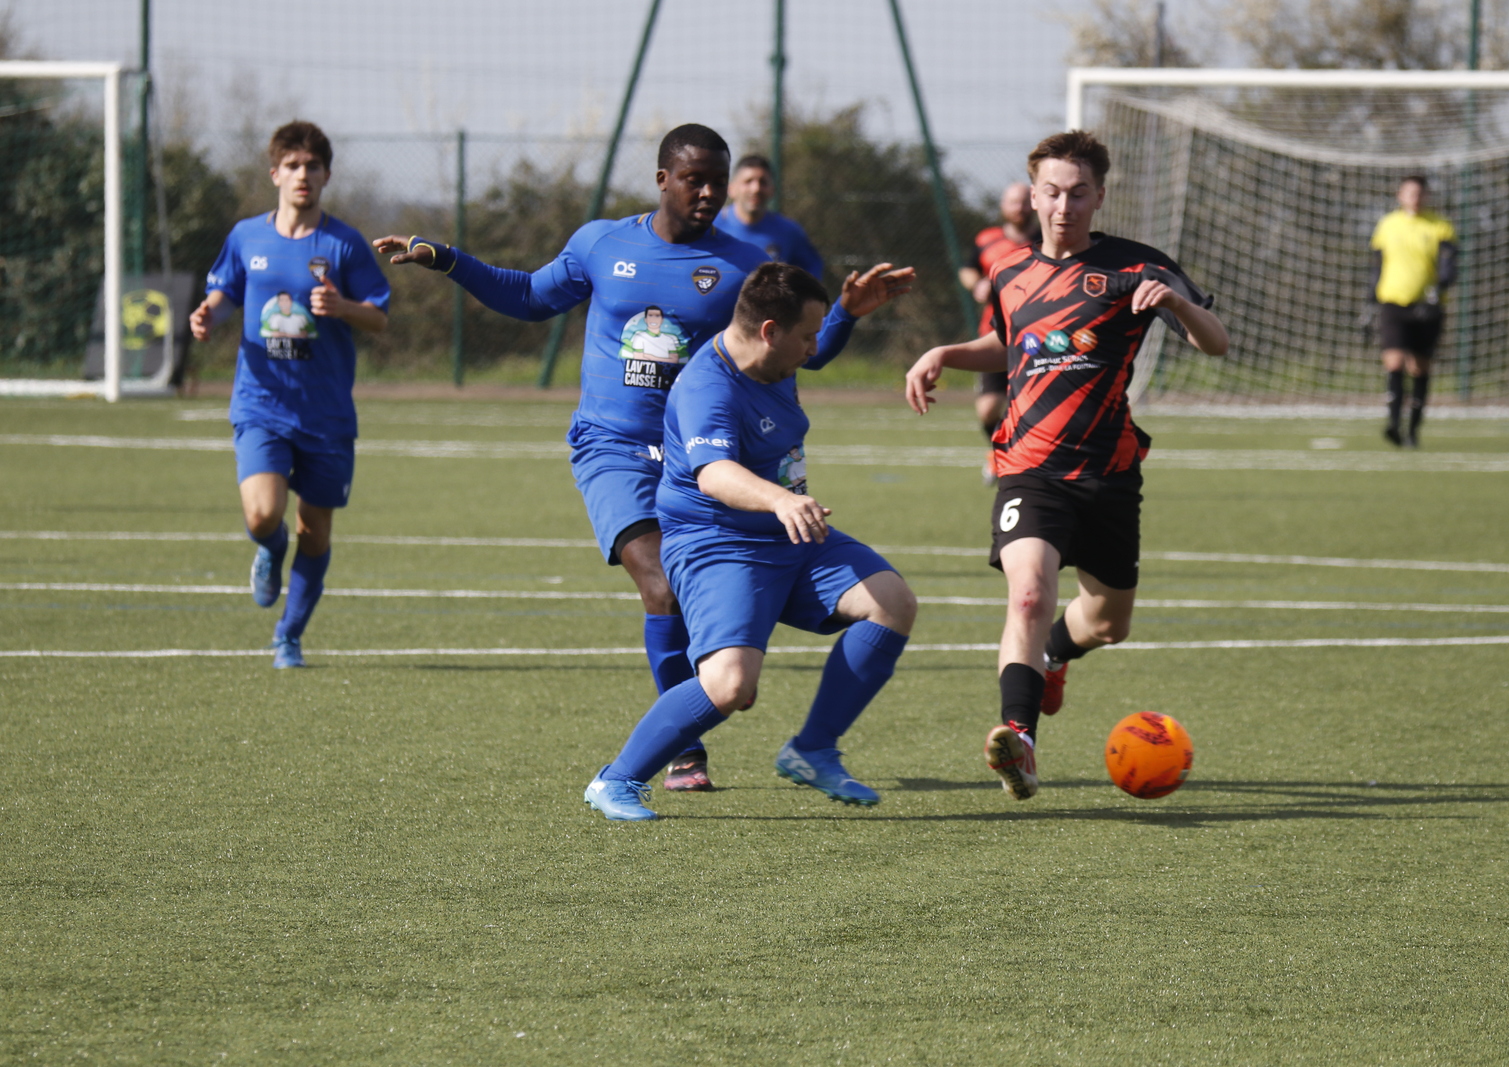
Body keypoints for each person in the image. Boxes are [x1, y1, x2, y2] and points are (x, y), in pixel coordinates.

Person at [375, 125, 912, 793]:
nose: (709, 192)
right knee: (660, 585)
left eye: (717, 181)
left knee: (729, 607)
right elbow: (530, 297)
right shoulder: (602, 243)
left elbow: (797, 352)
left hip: (699, 452)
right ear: (662, 180)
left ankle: (737, 695)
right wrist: (447, 259)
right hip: (615, 446)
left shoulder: (745, 264)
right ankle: (684, 750)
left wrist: (845, 316)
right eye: (694, 179)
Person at [904, 131, 1228, 802]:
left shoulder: (1138, 266)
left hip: (1109, 470)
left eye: (1078, 193)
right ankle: (1020, 740)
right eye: (1051, 192)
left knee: (1109, 622)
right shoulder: (1010, 271)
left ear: (1099, 196)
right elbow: (1010, 344)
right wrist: (944, 353)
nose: (1063, 206)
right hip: (1029, 466)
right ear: (1032, 195)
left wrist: (1175, 304)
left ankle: (1056, 652)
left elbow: (1216, 343)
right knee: (1028, 592)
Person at [583, 262, 918, 821]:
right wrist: (781, 500)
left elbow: (812, 348)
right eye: (806, 336)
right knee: (730, 685)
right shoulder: (708, 388)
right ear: (769, 331)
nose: (813, 348)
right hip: (719, 544)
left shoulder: (771, 357)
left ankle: (813, 750)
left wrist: (844, 314)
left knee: (892, 602)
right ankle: (616, 780)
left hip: (790, 534)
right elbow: (714, 474)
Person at [189, 120, 391, 669]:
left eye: (313, 166)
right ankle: (269, 549)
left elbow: (378, 316)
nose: (303, 175)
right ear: (275, 173)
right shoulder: (246, 237)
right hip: (261, 404)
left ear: (327, 175)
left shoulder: (344, 244)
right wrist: (209, 315)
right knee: (263, 515)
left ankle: (288, 636)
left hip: (326, 413)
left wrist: (344, 308)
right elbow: (224, 293)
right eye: (293, 166)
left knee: (315, 530)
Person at [959, 181, 1038, 486]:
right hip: (996, 336)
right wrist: (976, 284)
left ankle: (1032, 463)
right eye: (1013, 202)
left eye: (1024, 201)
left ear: (1033, 203)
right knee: (988, 408)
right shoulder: (987, 239)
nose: (1019, 208)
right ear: (1003, 206)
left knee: (1034, 406)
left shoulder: (1047, 241)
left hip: (1037, 338)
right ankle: (999, 452)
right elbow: (968, 269)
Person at [1369, 175, 1457, 448]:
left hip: (1426, 306)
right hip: (1393, 302)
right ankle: (1393, 424)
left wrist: (1438, 290)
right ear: (1400, 195)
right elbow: (1377, 265)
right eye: (1410, 193)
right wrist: (1369, 302)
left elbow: (1449, 266)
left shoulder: (1440, 226)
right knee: (1394, 362)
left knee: (1419, 367)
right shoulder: (1387, 225)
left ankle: (1413, 430)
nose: (1415, 198)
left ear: (1426, 196)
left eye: (1419, 193)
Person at [715, 154, 825, 279]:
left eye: (763, 182)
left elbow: (812, 271)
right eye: (748, 181)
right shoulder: (711, 227)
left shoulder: (789, 232)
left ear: (772, 189)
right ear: (731, 189)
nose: (756, 189)